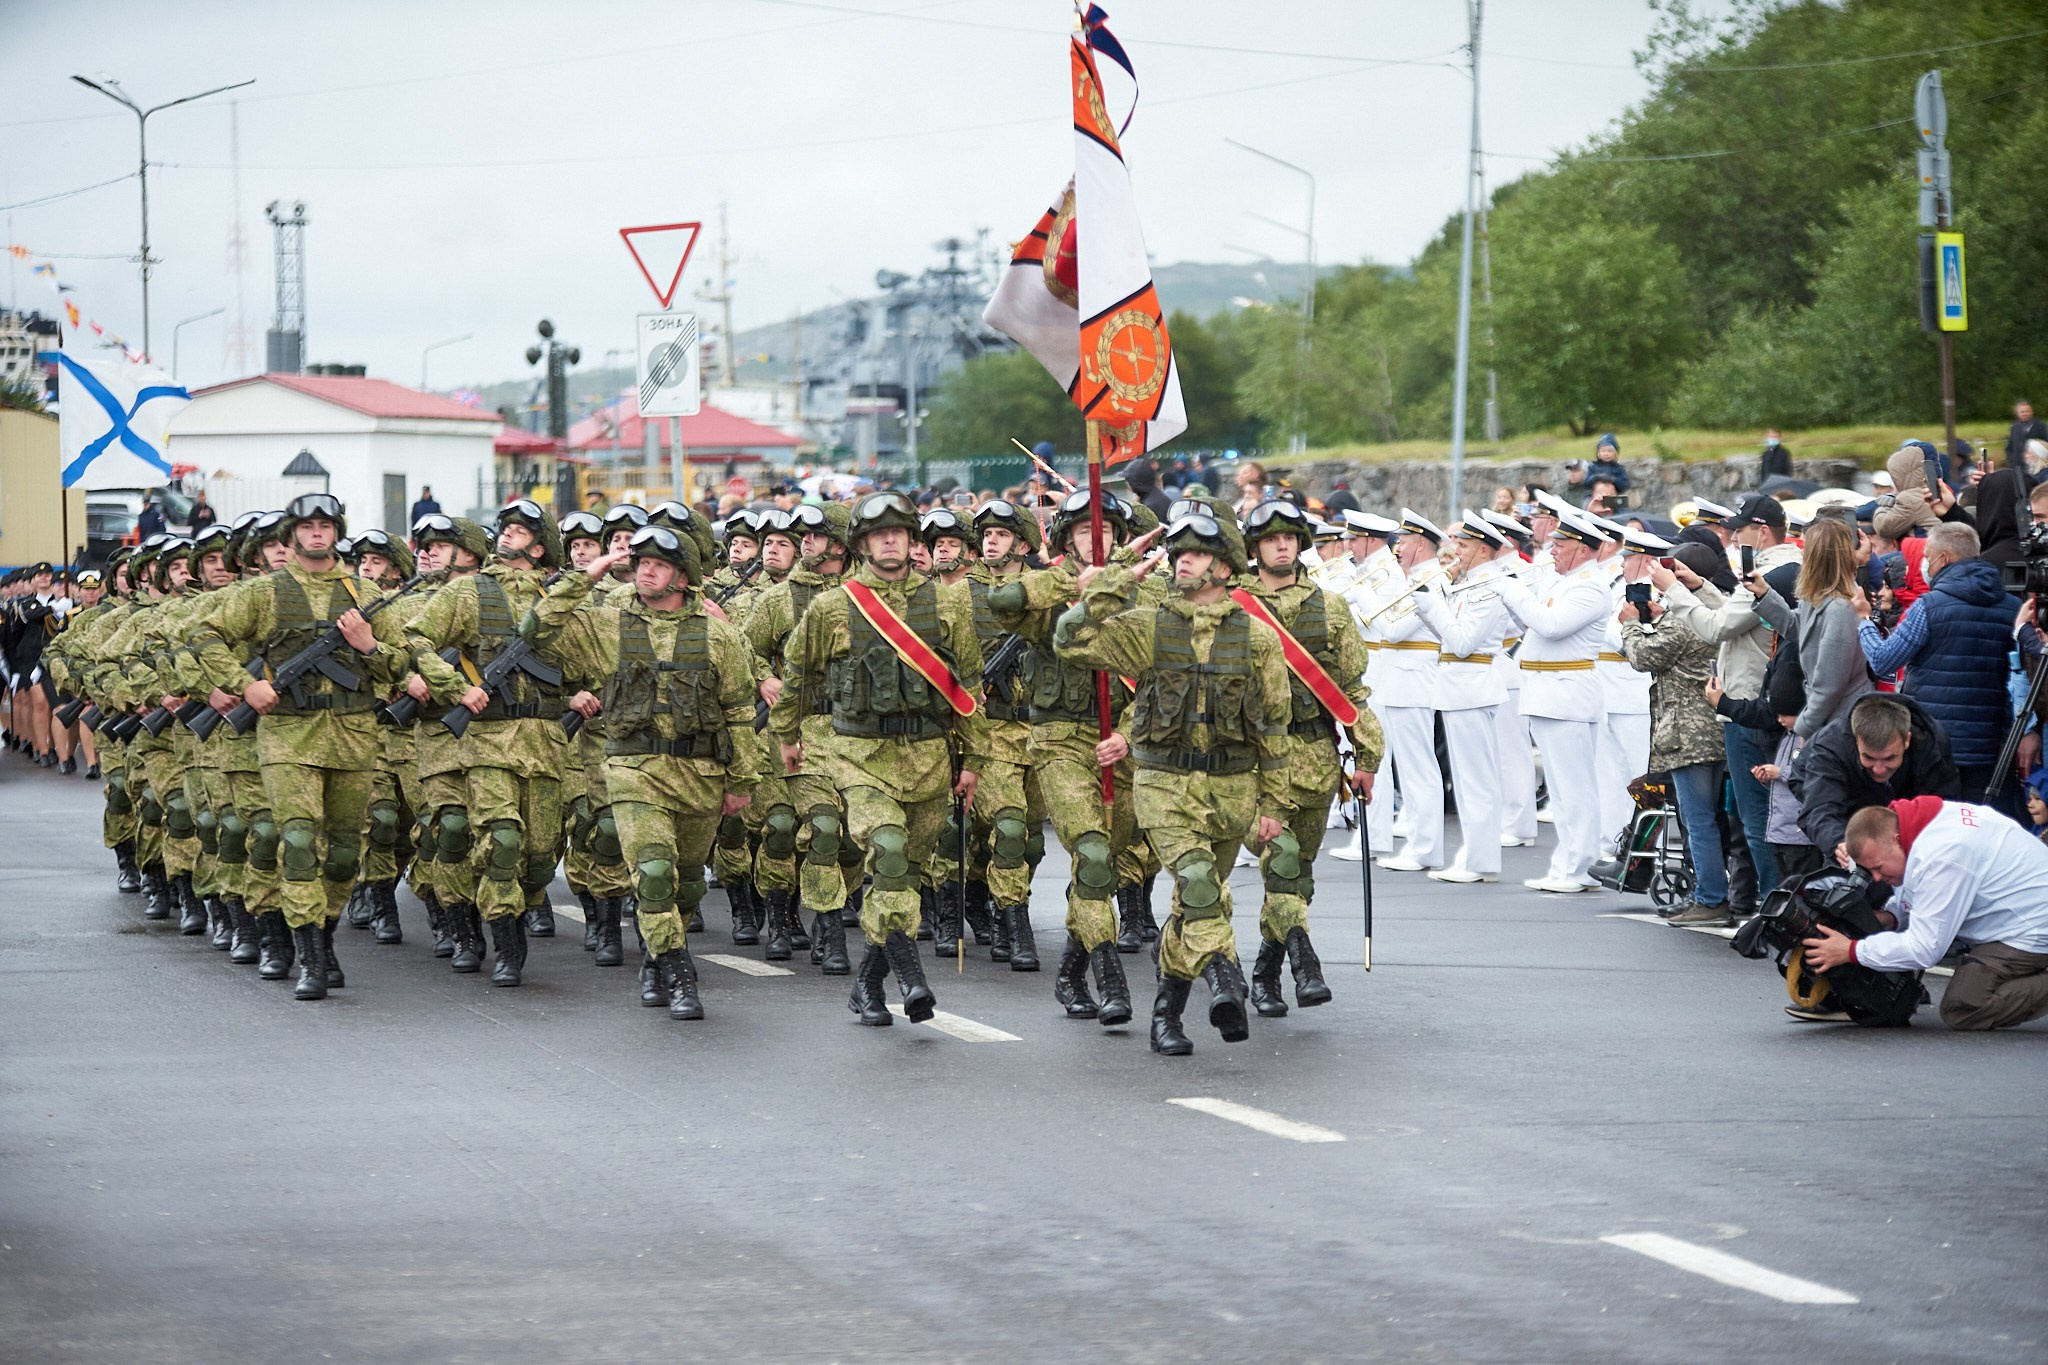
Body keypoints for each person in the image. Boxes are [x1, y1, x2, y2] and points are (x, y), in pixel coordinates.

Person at [1054, 509, 1294, 1055]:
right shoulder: (1149, 624)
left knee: (1195, 904)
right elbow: (1071, 639)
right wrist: (1115, 581)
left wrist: (1274, 803)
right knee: (1199, 883)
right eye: (1178, 552)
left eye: (1195, 553)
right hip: (1163, 784)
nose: (1181, 560)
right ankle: (1226, 979)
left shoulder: (1257, 639)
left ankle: (1167, 1012)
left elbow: (1274, 726)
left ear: (1226, 568)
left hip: (1231, 790)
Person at [771, 491, 987, 1028]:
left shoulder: (946, 604)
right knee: (886, 852)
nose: (889, 541)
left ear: (912, 541)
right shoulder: (832, 606)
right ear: (862, 544)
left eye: (899, 533)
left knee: (902, 875)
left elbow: (969, 683)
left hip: (929, 756)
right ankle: (912, 978)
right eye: (877, 534)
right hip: (859, 754)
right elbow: (799, 673)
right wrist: (788, 733)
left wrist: (975, 756)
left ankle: (867, 984)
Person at [529, 526, 760, 1020]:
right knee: (654, 873)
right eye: (641, 562)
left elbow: (739, 712)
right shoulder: (608, 624)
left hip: (700, 774)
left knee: (687, 884)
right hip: (633, 771)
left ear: (683, 575)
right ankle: (678, 973)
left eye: (658, 564)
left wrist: (742, 783)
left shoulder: (718, 633)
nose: (645, 570)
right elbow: (538, 628)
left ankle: (657, 956)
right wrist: (589, 573)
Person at [189, 493, 410, 1000]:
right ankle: (309, 954)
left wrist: (368, 646)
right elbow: (203, 633)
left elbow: (401, 664)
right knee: (300, 842)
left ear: (337, 532)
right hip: (288, 735)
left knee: (344, 853)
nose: (316, 534)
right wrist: (244, 686)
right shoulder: (267, 592)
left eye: (325, 526)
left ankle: (324, 934)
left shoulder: (366, 592)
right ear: (292, 535)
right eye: (307, 526)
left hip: (353, 735)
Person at [404, 500, 572, 987]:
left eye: (521, 532)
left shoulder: (553, 598)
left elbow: (589, 657)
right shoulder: (463, 595)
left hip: (539, 739)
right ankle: (477, 934)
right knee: (472, 835)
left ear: (538, 548)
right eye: (506, 529)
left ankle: (513, 914)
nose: (509, 536)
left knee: (539, 854)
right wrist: (448, 686)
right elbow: (411, 644)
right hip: (466, 737)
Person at [1237, 499, 1382, 1015]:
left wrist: (1367, 757)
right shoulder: (1231, 605)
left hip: (1318, 759)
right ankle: (1304, 961)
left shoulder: (1329, 607)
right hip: (1253, 763)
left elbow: (1351, 690)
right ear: (1254, 547)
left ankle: (1264, 974)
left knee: (1299, 878)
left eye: (1291, 538)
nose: (1282, 545)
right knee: (1284, 863)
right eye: (1271, 538)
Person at [1814, 798, 2048, 1030]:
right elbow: (1918, 889)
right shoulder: (1920, 823)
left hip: (2033, 928)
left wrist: (1852, 951)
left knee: (1962, 1007)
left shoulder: (1943, 856)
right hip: (2027, 912)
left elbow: (1924, 949)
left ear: (1896, 841)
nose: (1876, 878)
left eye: (1877, 867)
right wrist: (1892, 917)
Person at [1855, 522, 2020, 804]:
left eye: (1927, 558)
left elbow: (1884, 661)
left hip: (1935, 743)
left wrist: (1864, 621)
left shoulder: (1930, 606)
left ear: (1944, 559)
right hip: (1990, 746)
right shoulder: (2011, 607)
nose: (1924, 565)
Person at [1495, 510, 1614, 893]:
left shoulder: (1590, 587)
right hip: (1549, 692)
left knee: (1574, 788)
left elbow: (1550, 625)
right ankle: (1567, 864)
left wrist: (1512, 590)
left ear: (1581, 549)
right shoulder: (1565, 581)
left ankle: (1580, 867)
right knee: (1564, 790)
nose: (1553, 552)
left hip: (1568, 692)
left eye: (1560, 546)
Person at [1617, 559, 1728, 925]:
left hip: (1687, 733)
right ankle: (1715, 892)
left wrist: (1631, 624)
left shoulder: (1681, 621)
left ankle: (1711, 897)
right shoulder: (1710, 609)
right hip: (1714, 727)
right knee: (1711, 819)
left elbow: (1643, 655)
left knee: (1698, 821)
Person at [1413, 512, 1516, 882]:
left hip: (1471, 685)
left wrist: (1433, 605)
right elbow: (1447, 635)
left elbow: (1461, 642)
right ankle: (1477, 857)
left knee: (1477, 781)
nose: (1456, 549)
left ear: (1485, 551)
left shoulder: (1488, 587)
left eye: (1465, 544)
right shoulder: (1471, 584)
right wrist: (1425, 607)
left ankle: (1480, 860)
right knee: (1470, 778)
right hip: (1460, 687)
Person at [1792, 694, 1962, 867]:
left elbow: (1944, 805)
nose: (1879, 768)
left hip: (1902, 793)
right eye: (1869, 757)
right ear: (1857, 740)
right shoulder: (1831, 748)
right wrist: (1839, 843)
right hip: (1831, 792)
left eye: (1889, 758)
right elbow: (1820, 809)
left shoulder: (1932, 744)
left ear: (1907, 740)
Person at [1370, 510, 1450, 873]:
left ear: (1421, 544)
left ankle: (1426, 847)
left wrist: (1364, 601)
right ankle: (1420, 843)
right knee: (1412, 765)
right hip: (1400, 678)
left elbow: (1392, 630)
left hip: (1414, 679)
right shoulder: (1415, 578)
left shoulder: (1430, 581)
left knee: (1419, 768)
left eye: (1403, 541)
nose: (1397, 547)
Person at [1750, 517, 1874, 742]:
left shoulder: (1840, 607)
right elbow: (1796, 628)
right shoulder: (1821, 597)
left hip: (1840, 721)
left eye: (1805, 548)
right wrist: (1764, 593)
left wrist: (1805, 726)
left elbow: (1830, 685)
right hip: (1829, 718)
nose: (1801, 553)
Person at [2005, 400, 2048, 472]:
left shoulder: (2039, 425)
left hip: (2036, 466)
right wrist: (2011, 461)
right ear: (2017, 413)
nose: (2025, 414)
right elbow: (2010, 446)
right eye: (2022, 412)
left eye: (2027, 411)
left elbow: (2045, 443)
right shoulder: (2015, 427)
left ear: (2032, 412)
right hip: (2018, 465)